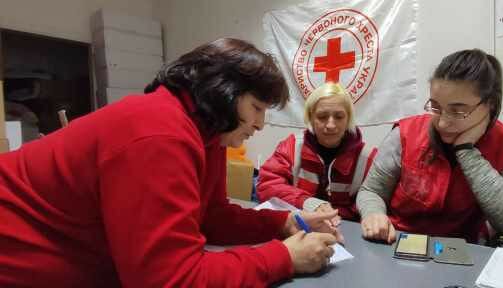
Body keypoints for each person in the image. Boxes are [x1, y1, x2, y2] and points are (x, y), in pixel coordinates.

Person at [0, 38, 342, 287]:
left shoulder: (206, 134)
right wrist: (283, 258)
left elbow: (209, 216)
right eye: (256, 108)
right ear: (223, 92)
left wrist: (283, 222)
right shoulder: (160, 134)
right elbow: (169, 280)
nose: (260, 125)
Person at [356, 49, 503, 244]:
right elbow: (371, 190)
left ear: (490, 105)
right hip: (398, 243)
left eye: (458, 111)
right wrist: (373, 214)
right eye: (435, 107)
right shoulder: (405, 134)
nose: (443, 123)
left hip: (466, 252)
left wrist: (466, 151)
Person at [257, 82, 377, 223]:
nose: (331, 125)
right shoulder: (293, 146)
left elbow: (378, 201)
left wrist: (334, 214)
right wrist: (306, 202)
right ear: (310, 119)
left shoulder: (369, 157)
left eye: (339, 117)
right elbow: (266, 185)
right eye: (322, 117)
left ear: (348, 119)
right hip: (300, 227)